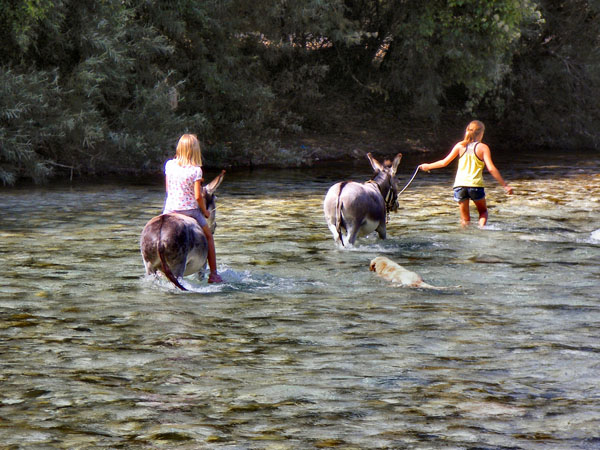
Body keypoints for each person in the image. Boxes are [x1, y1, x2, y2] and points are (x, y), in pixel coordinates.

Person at [418, 120, 513, 227]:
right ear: (481, 133)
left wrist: (428, 166)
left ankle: (465, 237)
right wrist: (505, 185)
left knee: (465, 219)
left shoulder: (460, 146)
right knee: (483, 212)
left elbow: (444, 162)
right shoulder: (483, 148)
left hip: (459, 186)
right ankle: (481, 231)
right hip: (475, 186)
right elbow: (491, 168)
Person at [163, 134, 223, 283]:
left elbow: (168, 189)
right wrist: (205, 211)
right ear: (195, 150)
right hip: (190, 210)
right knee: (209, 236)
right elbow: (197, 196)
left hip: (169, 210)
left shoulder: (169, 165)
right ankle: (214, 274)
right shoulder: (196, 170)